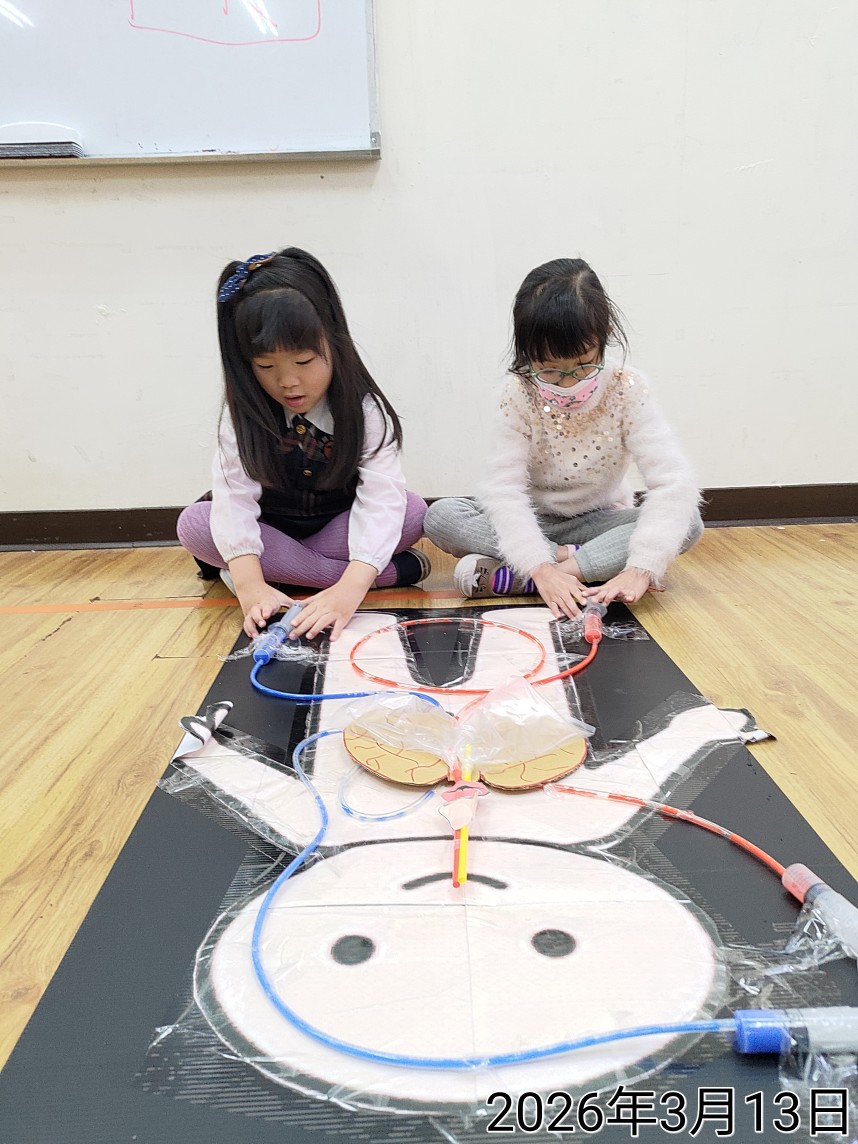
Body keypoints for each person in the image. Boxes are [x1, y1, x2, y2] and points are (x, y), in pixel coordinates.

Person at [423, 258, 702, 619]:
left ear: (605, 335)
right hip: (534, 521)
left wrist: (641, 567)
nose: (568, 384)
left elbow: (673, 481)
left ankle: (531, 578)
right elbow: (503, 490)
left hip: (599, 522)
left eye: (584, 365)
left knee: (689, 523)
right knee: (441, 516)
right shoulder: (517, 394)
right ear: (527, 353)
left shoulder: (627, 388)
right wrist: (540, 563)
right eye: (550, 370)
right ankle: (578, 567)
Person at [177, 248, 429, 641]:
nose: (288, 382)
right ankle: (380, 574)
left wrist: (349, 592)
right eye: (265, 367)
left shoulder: (362, 409)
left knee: (411, 512)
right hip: (270, 529)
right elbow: (234, 500)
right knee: (194, 524)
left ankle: (297, 576)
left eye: (304, 361)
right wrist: (249, 586)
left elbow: (381, 499)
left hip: (336, 526)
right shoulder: (243, 414)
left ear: (334, 342)